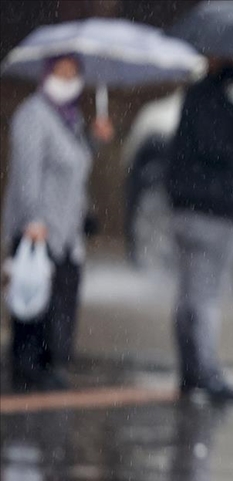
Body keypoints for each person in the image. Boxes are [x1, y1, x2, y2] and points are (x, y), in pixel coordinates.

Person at [165, 57, 233, 405]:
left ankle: (191, 372)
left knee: (190, 296)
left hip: (189, 211)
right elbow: (220, 150)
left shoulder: (194, 98)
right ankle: (207, 374)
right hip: (213, 216)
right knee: (205, 298)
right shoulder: (212, 102)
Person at [1, 54, 114, 392]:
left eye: (73, 73)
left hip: (66, 230)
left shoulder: (71, 120)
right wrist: (32, 218)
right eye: (61, 72)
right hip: (37, 227)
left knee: (60, 297)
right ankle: (26, 364)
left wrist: (93, 141)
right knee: (33, 297)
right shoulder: (32, 117)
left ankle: (50, 363)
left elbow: (72, 167)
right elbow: (26, 173)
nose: (67, 79)